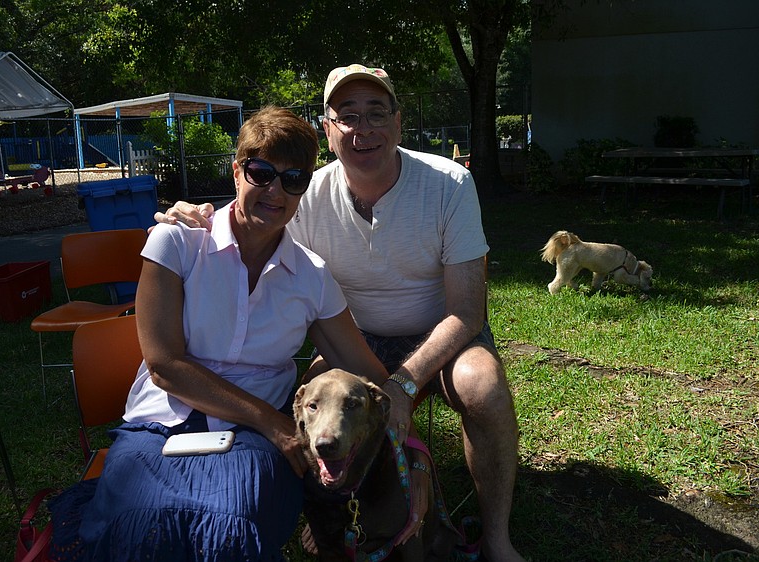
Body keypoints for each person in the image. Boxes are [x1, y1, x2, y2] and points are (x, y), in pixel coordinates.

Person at [157, 64, 524, 561]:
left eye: (376, 113)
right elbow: (252, 209)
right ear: (328, 130)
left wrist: (403, 384)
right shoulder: (304, 191)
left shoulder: (449, 183)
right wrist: (193, 214)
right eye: (346, 115)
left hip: (443, 336)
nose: (362, 128)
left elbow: (466, 312)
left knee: (484, 386)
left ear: (398, 122)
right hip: (350, 337)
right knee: (313, 404)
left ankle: (497, 538)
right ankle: (330, 514)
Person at [48, 106, 393, 561]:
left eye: (293, 180)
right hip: (161, 425)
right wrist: (274, 423)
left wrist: (407, 400)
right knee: (139, 527)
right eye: (261, 172)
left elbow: (368, 371)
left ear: (304, 190)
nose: (275, 191)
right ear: (237, 172)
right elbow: (165, 366)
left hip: (253, 444)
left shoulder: (312, 276)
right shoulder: (177, 241)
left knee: (235, 524)